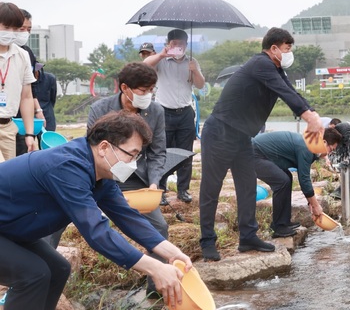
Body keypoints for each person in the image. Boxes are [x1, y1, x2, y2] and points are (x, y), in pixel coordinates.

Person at [0, 111, 192, 310]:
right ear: (104, 147)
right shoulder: (67, 167)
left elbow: (128, 216)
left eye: (137, 156)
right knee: (33, 274)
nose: (133, 164)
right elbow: (96, 232)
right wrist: (155, 268)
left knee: (58, 269)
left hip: (9, 229)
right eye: (131, 154)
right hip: (6, 229)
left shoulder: (101, 175)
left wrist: (172, 253)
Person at [199, 27, 324, 261]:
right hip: (220, 131)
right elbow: (283, 92)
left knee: (246, 186)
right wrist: (309, 117)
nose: (289, 54)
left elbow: (289, 90)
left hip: (242, 136)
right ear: (274, 48)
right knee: (211, 188)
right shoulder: (261, 64)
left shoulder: (276, 69)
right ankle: (207, 240)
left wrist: (312, 112)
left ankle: (248, 237)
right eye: (287, 49)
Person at [88, 62, 167, 297]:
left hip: (137, 177)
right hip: (105, 176)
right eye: (142, 91)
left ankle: (156, 288)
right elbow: (92, 150)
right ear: (125, 88)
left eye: (151, 90)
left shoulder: (156, 111)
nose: (147, 95)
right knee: (61, 218)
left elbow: (158, 152)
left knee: (160, 226)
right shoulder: (101, 109)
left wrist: (154, 183)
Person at [144, 29, 204, 203]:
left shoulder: (192, 61)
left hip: (185, 112)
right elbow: (145, 65)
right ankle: (160, 190)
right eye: (174, 44)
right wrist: (162, 54)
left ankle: (183, 190)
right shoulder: (161, 61)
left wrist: (195, 71)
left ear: (186, 45)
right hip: (164, 112)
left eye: (181, 44)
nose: (178, 47)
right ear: (169, 44)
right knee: (162, 152)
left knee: (186, 153)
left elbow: (200, 84)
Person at [252, 128, 343, 238]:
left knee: (287, 177)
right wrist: (315, 205)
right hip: (253, 154)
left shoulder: (310, 146)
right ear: (324, 143)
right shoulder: (307, 148)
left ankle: (283, 222)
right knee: (282, 181)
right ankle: (279, 227)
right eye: (331, 149)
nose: (330, 153)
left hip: (260, 154)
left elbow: (304, 177)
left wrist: (310, 203)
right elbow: (304, 180)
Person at [0, 2, 36, 162]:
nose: (11, 33)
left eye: (15, 29)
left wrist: (29, 133)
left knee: (7, 180)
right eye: (6, 27)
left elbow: (26, 96)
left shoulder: (22, 55)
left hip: (8, 127)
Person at [15, 10, 49, 155]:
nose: (25, 33)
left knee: (21, 153)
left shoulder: (26, 53)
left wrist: (38, 110)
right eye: (22, 29)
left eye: (29, 29)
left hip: (20, 114)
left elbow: (30, 88)